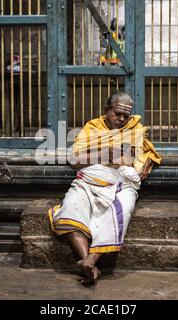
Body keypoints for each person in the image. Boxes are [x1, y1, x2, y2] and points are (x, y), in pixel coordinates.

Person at [48, 91, 161, 285]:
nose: (123, 119)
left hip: (121, 184)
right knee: (70, 208)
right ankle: (89, 263)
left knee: (120, 211)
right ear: (106, 110)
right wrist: (107, 154)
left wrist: (147, 159)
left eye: (127, 115)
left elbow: (139, 154)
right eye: (118, 113)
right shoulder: (92, 127)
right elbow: (75, 161)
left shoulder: (135, 128)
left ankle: (91, 260)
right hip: (88, 181)